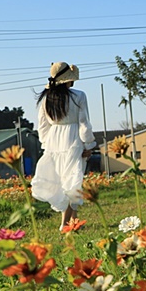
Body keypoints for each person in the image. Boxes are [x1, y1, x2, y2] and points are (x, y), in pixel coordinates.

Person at [31, 61, 97, 230]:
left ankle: (73, 222)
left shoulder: (46, 99)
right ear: (68, 79)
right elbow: (84, 123)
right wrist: (89, 144)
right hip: (73, 139)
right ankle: (64, 225)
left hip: (54, 141)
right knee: (73, 181)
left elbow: (43, 127)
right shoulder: (79, 96)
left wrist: (47, 145)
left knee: (66, 182)